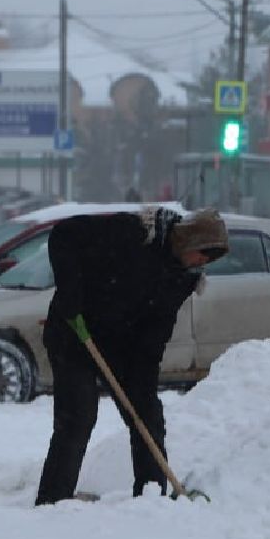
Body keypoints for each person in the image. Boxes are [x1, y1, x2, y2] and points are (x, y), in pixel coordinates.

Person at [34, 206, 228, 505]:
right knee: (78, 418)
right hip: (75, 335)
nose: (204, 262)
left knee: (147, 415)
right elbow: (64, 235)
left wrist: (143, 384)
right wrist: (71, 292)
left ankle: (151, 500)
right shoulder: (135, 232)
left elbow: (154, 336)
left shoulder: (180, 280)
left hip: (122, 350)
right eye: (204, 253)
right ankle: (52, 500)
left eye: (210, 259)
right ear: (189, 241)